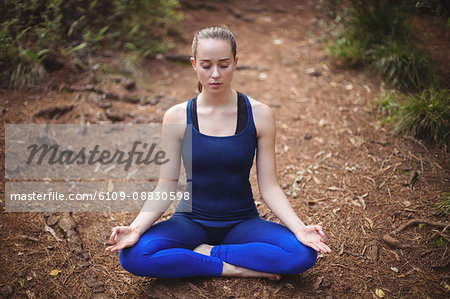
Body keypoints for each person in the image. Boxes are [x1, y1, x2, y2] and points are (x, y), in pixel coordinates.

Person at [105, 26, 331, 280]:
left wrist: (300, 229)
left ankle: (204, 253)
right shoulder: (177, 117)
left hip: (242, 222)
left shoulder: (260, 115)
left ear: (236, 62)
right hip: (189, 222)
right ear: (194, 64)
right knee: (134, 255)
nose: (215, 74)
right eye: (206, 65)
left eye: (224, 65)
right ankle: (234, 267)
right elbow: (165, 187)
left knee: (302, 253)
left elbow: (269, 186)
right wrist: (135, 229)